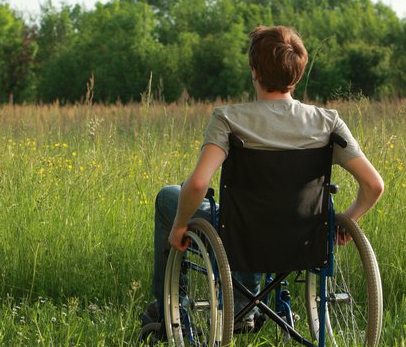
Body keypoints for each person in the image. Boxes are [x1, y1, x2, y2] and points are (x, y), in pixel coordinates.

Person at [143, 25, 384, 330]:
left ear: (254, 70)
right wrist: (343, 223)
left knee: (170, 196)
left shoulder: (228, 119)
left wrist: (179, 226)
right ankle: (243, 309)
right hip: (304, 236)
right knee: (251, 220)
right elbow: (374, 185)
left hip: (242, 233)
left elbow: (198, 184)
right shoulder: (327, 122)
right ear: (297, 72)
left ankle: (168, 313)